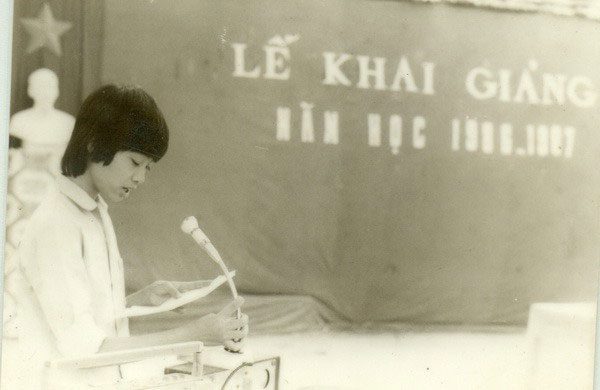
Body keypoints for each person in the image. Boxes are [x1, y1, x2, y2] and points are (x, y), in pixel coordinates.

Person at [13, 84, 248, 388]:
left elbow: (78, 313)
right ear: (94, 143)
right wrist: (196, 334)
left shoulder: (94, 210)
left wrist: (142, 301)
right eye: (135, 162)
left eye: (149, 168)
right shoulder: (57, 225)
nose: (140, 178)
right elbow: (85, 348)